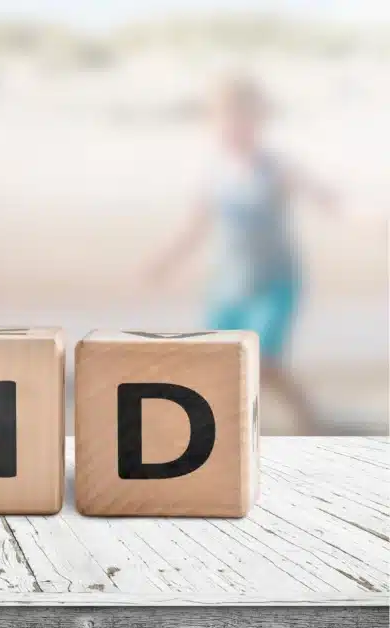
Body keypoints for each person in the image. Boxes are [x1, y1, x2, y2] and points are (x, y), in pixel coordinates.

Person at [145, 73, 337, 434]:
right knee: (223, 362)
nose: (232, 125)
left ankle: (311, 422)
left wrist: (365, 217)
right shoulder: (214, 171)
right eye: (224, 117)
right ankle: (221, 432)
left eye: (241, 116)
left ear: (257, 119)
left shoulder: (276, 166)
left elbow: (325, 198)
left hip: (275, 281)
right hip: (230, 285)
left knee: (264, 360)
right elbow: (196, 225)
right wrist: (164, 261)